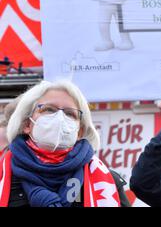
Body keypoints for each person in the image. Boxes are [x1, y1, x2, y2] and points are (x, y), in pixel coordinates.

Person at [0, 80, 130, 207]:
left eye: (70, 114)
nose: (60, 118)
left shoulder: (107, 181)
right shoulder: (4, 175)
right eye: (49, 110)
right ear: (27, 124)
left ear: (79, 132)